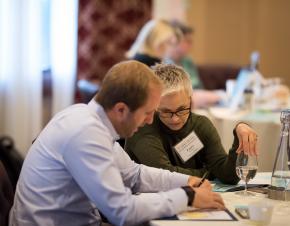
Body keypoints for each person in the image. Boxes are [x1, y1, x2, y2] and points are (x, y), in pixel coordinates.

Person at [9, 61, 225, 226]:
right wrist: (187, 196)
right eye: (147, 113)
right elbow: (122, 211)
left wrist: (187, 180)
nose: (150, 121)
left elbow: (134, 174)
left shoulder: (88, 119)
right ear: (121, 109)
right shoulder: (85, 134)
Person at [125, 64, 258, 185]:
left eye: (182, 109)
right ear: (154, 104)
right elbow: (165, 176)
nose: (175, 119)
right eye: (166, 111)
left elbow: (228, 176)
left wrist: (239, 132)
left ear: (190, 99)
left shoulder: (201, 125)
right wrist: (208, 173)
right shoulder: (141, 127)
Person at [165, 20, 225, 108]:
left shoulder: (188, 61)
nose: (191, 45)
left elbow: (198, 87)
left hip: (196, 105)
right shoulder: (162, 64)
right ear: (174, 40)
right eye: (187, 41)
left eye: (191, 41)